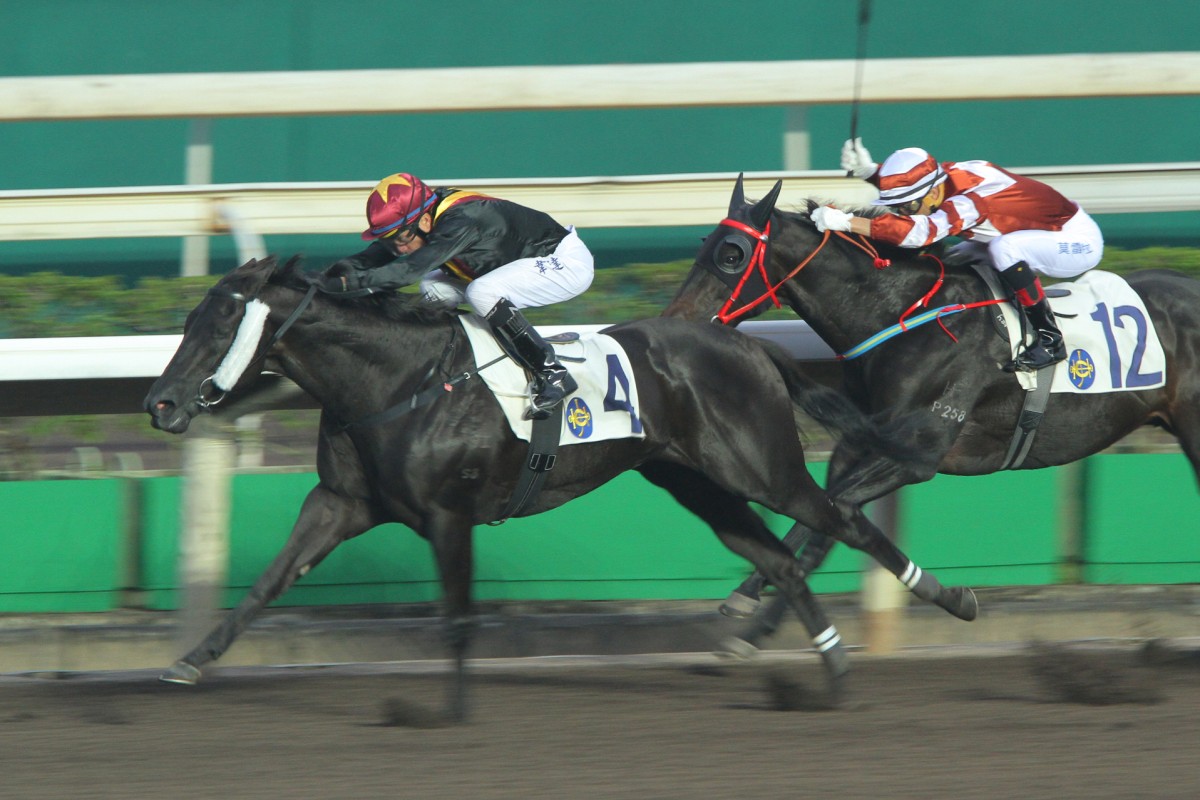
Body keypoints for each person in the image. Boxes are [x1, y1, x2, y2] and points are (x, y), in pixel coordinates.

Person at [811, 139, 1105, 372]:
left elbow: (917, 235)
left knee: (1004, 250)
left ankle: (1051, 340)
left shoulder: (969, 202)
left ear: (931, 193)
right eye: (897, 207)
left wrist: (847, 222)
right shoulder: (943, 178)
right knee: (953, 260)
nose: (902, 212)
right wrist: (871, 172)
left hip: (1075, 242)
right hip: (1029, 233)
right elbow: (913, 194)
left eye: (906, 206)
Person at [322, 172, 595, 418]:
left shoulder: (462, 219)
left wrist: (346, 286)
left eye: (400, 238)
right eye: (388, 240)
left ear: (425, 220)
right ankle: (456, 364)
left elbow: (407, 271)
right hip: (512, 264)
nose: (398, 248)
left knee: (481, 291)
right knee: (433, 288)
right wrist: (322, 279)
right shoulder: (418, 220)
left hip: (564, 264)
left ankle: (552, 373)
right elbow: (368, 260)